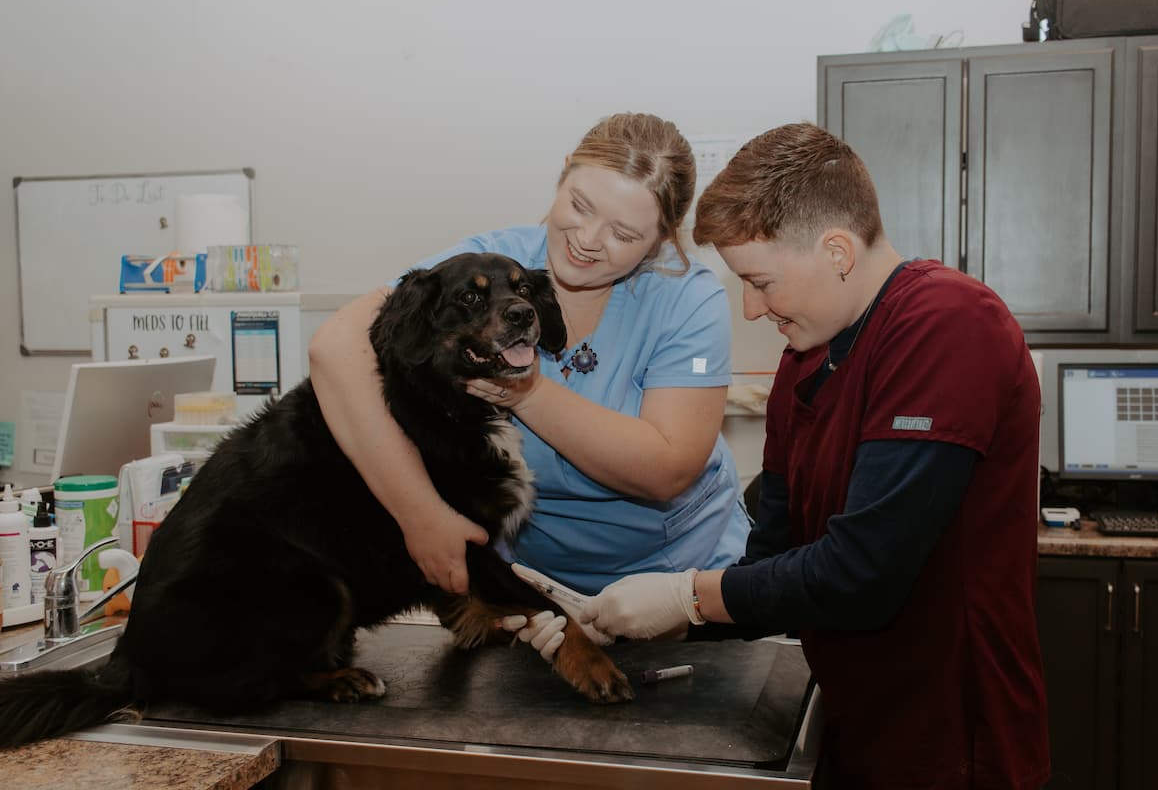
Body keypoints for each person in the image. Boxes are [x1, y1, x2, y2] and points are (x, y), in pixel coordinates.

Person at [569, 123, 1051, 788]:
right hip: (853, 723)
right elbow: (773, 565)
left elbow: (861, 573)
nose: (752, 306)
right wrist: (639, 620)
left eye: (760, 281)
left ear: (837, 251)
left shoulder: (950, 324)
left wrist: (687, 598)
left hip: (953, 737)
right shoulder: (805, 364)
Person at [308, 112, 750, 619]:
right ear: (563, 173)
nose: (587, 239)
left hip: (678, 584)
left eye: (624, 234)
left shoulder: (687, 299)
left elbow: (666, 471)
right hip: (533, 587)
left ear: (662, 238)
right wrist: (421, 516)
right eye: (580, 206)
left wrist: (529, 392)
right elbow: (335, 347)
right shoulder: (494, 263)